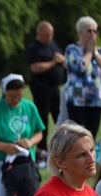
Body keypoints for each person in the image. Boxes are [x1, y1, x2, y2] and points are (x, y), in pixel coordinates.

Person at [27, 21, 66, 160]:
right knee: (42, 117)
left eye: (51, 35)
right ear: (39, 34)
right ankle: (42, 149)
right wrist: (53, 63)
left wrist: (62, 60)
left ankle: (63, 145)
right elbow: (35, 67)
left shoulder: (53, 44)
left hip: (55, 88)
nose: (49, 37)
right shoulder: (35, 48)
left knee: (60, 116)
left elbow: (63, 60)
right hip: (41, 87)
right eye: (46, 35)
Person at [64, 16, 101, 138]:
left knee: (91, 136)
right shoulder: (72, 50)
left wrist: (95, 53)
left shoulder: (100, 52)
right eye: (89, 31)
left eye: (94, 31)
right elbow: (79, 68)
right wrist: (88, 52)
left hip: (96, 100)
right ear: (80, 32)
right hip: (78, 100)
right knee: (77, 137)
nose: (92, 34)